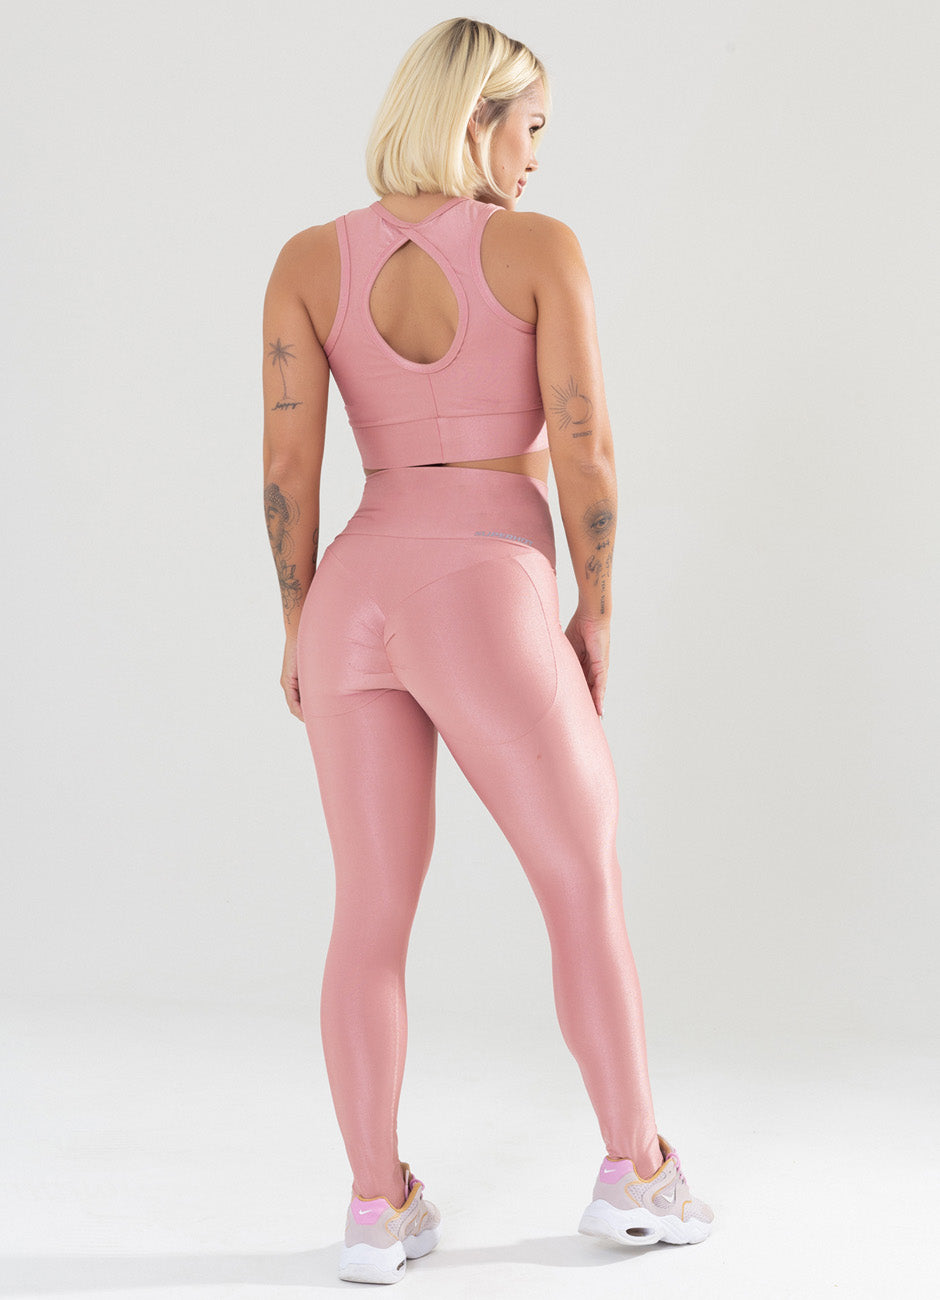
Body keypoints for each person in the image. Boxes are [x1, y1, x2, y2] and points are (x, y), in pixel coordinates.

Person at [261, 16, 714, 1285]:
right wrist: (595, 609)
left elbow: (287, 467)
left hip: (355, 588)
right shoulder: (533, 247)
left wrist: (296, 621)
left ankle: (374, 1205)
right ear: (476, 118)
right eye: (531, 128)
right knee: (580, 880)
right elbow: (585, 445)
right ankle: (637, 1170)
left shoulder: (307, 259)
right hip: (482, 584)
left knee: (368, 912)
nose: (536, 158)